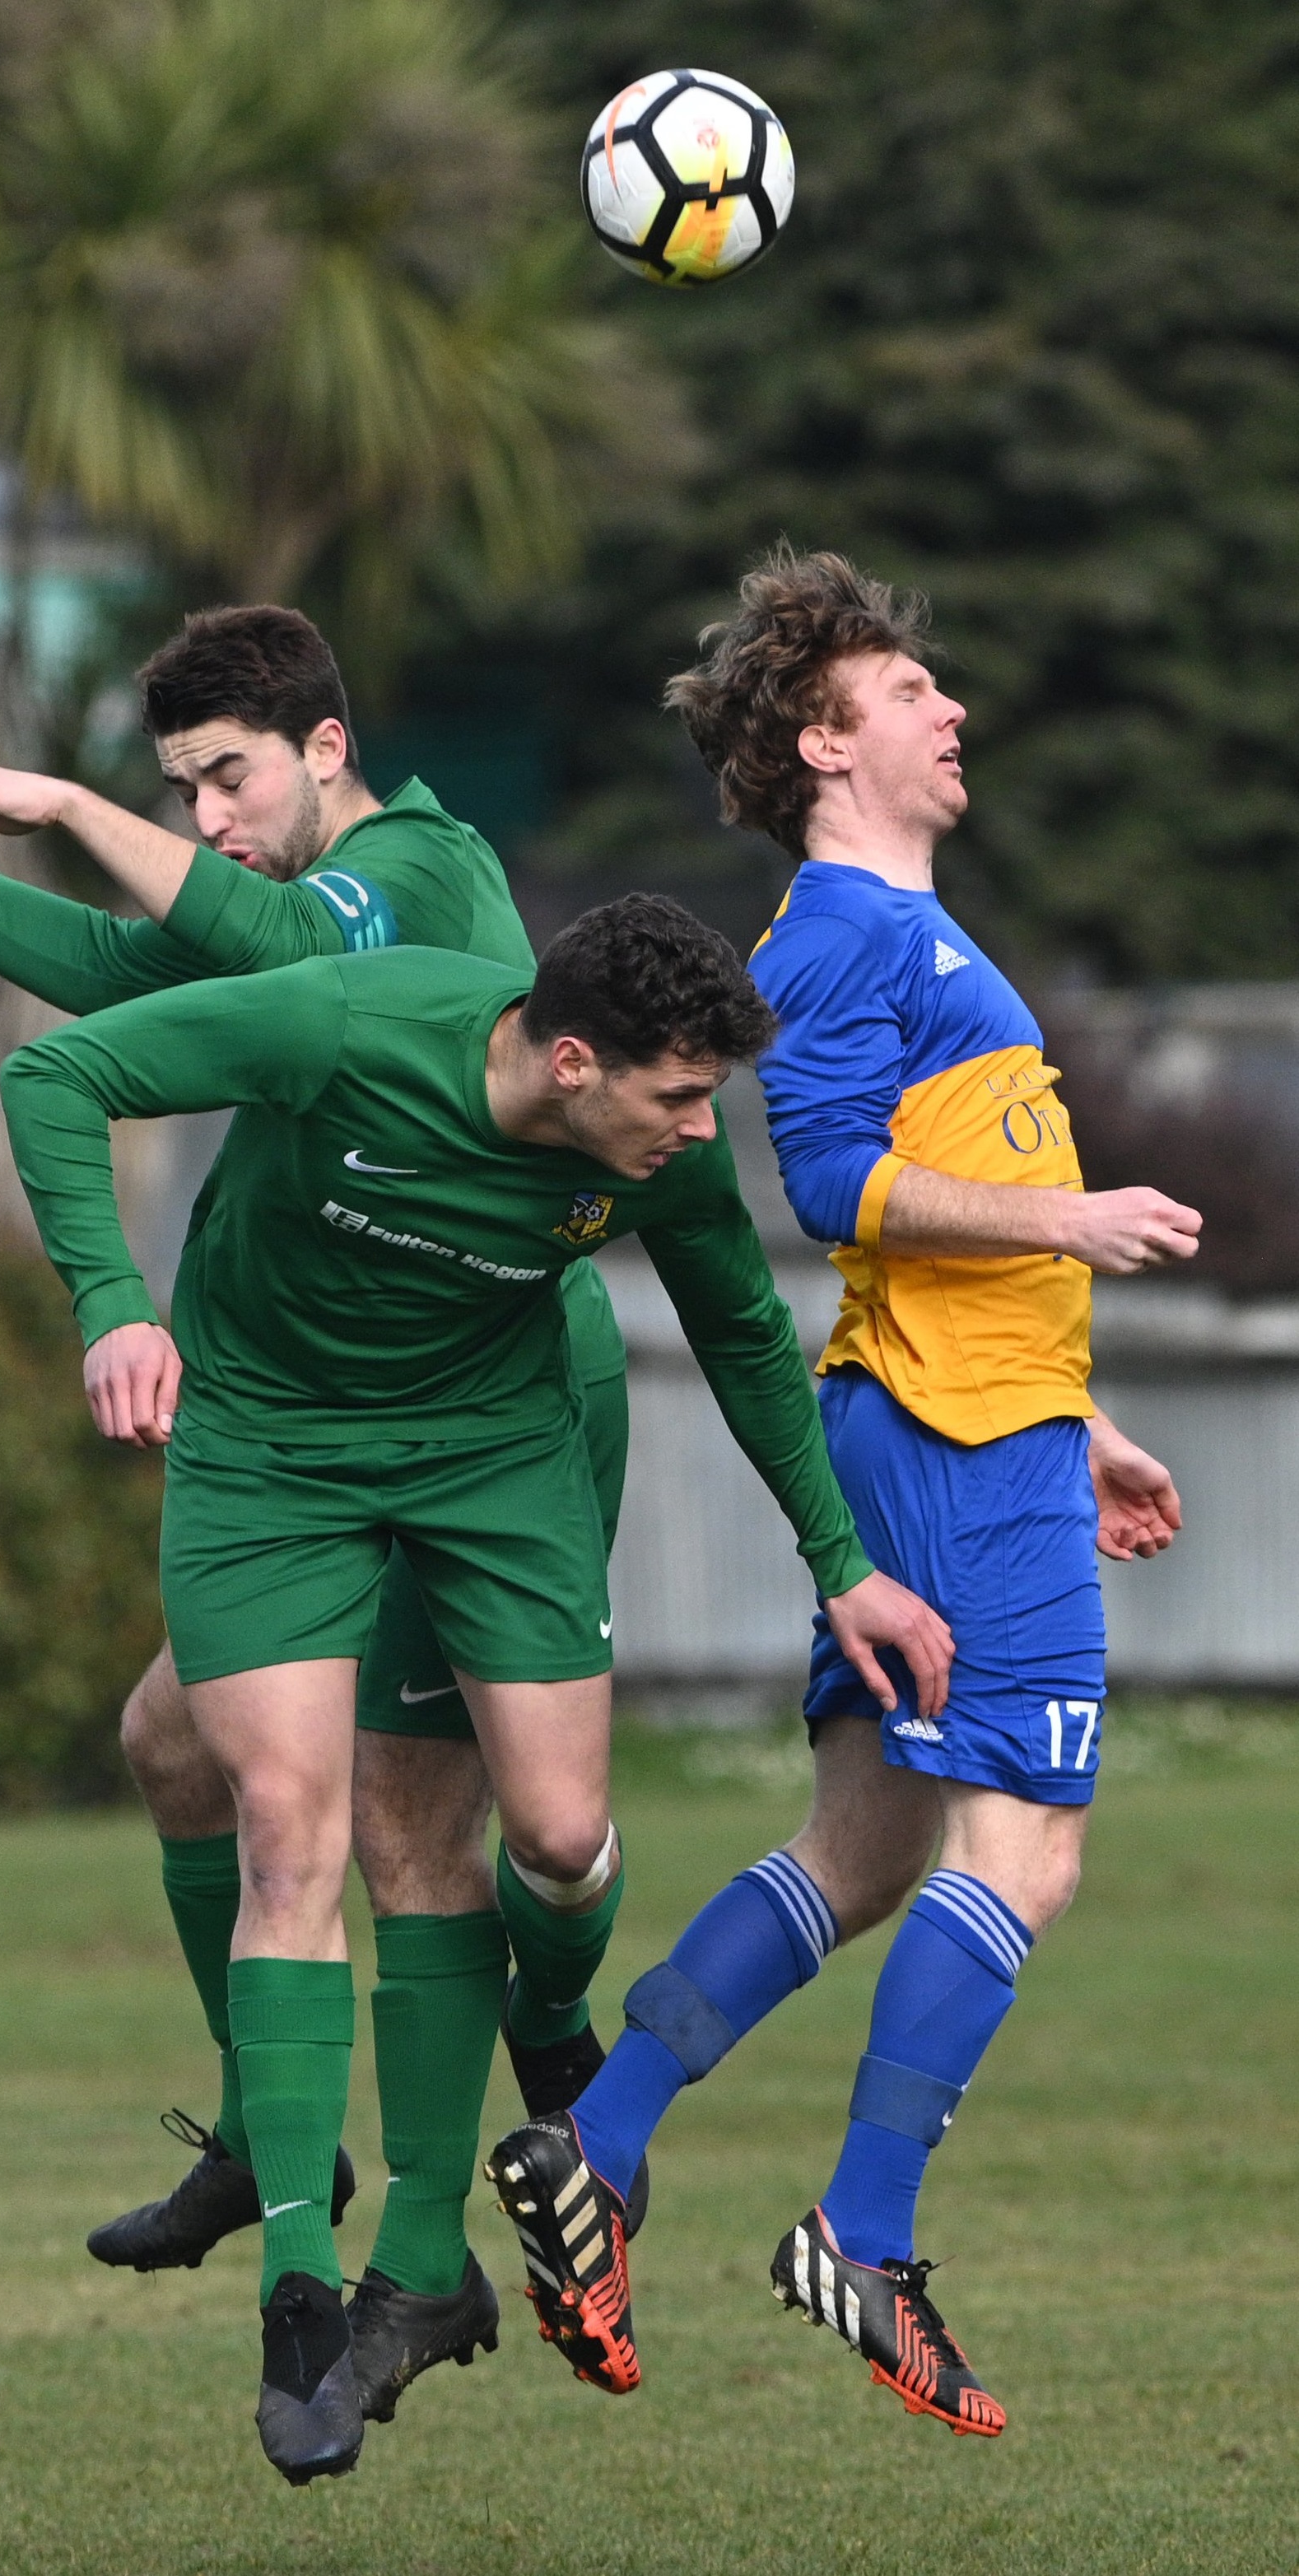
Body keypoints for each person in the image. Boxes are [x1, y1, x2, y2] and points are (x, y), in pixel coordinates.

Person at [0, 603, 641, 2423]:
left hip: (486, 1400)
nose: (212, 817)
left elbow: (227, 921)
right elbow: (118, 978)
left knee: (473, 1842)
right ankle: (271, 2132)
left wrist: (62, 795)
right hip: (323, 1409)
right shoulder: (292, 889)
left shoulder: (422, 866)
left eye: (225, 778)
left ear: (323, 749)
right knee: (176, 1742)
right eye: (181, 786)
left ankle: (493, 2138)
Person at [486, 546, 1200, 2438]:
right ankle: (861, 2232)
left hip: (970, 1415)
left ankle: (602, 2136)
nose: (946, 709)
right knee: (1023, 1850)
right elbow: (831, 1183)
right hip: (956, 1444)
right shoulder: (838, 937)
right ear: (820, 739)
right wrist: (1061, 1225)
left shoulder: (909, 927)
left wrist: (1084, 1405)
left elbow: (926, 1222)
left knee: (867, 1849)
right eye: (906, 694)